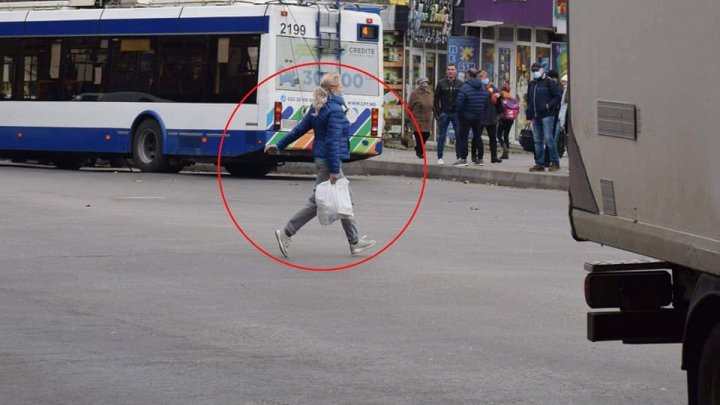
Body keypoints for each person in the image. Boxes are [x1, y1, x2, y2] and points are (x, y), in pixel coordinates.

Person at [265, 73, 376, 257]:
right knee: (319, 202)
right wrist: (334, 169)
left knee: (343, 198)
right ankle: (286, 232)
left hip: (323, 159)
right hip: (328, 161)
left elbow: (299, 129)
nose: (342, 89)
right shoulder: (335, 110)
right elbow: (333, 141)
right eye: (341, 86)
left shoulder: (319, 106)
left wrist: (279, 145)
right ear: (335, 89)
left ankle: (354, 241)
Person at [526, 62, 562, 172]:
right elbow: (529, 101)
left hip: (547, 115)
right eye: (533, 71)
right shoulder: (532, 84)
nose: (535, 72)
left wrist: (548, 105)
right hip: (536, 117)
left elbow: (558, 97)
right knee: (537, 141)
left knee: (548, 139)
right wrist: (528, 116)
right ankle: (539, 164)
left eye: (536, 70)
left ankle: (555, 162)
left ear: (542, 70)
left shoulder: (549, 82)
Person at [454, 68, 489, 166]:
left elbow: (459, 103)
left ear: (468, 76)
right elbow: (486, 104)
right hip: (478, 116)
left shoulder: (465, 87)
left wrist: (460, 114)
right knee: (478, 137)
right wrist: (480, 112)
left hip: (466, 116)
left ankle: (463, 158)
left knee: (463, 137)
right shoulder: (483, 88)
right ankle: (480, 158)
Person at [433, 63, 464, 165]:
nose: (450, 71)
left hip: (456, 113)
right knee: (441, 136)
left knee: (458, 136)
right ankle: (440, 157)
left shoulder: (460, 84)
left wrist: (462, 112)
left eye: (452, 69)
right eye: (449, 69)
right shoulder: (441, 83)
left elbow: (463, 99)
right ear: (446, 71)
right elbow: (436, 98)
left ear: (456, 71)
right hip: (444, 112)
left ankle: (459, 157)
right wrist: (438, 112)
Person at [470, 71, 503, 165]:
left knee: (493, 137)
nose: (484, 79)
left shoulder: (491, 87)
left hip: (491, 115)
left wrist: (498, 94)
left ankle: (494, 156)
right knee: (477, 137)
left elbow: (500, 92)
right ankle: (475, 155)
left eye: (485, 77)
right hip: (479, 115)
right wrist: (489, 92)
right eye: (481, 77)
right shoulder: (476, 87)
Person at [408, 77, 434, 158]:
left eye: (426, 82)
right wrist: (408, 118)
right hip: (417, 119)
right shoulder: (414, 93)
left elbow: (433, 105)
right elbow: (409, 106)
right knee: (419, 137)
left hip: (427, 118)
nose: (425, 84)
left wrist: (437, 114)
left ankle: (418, 148)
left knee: (426, 134)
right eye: (423, 82)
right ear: (419, 84)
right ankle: (420, 152)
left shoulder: (430, 92)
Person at [496, 83, 517, 160]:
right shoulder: (511, 98)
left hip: (503, 119)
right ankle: (506, 154)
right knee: (506, 135)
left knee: (498, 134)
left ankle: (504, 146)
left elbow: (499, 108)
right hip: (510, 119)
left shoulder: (501, 97)